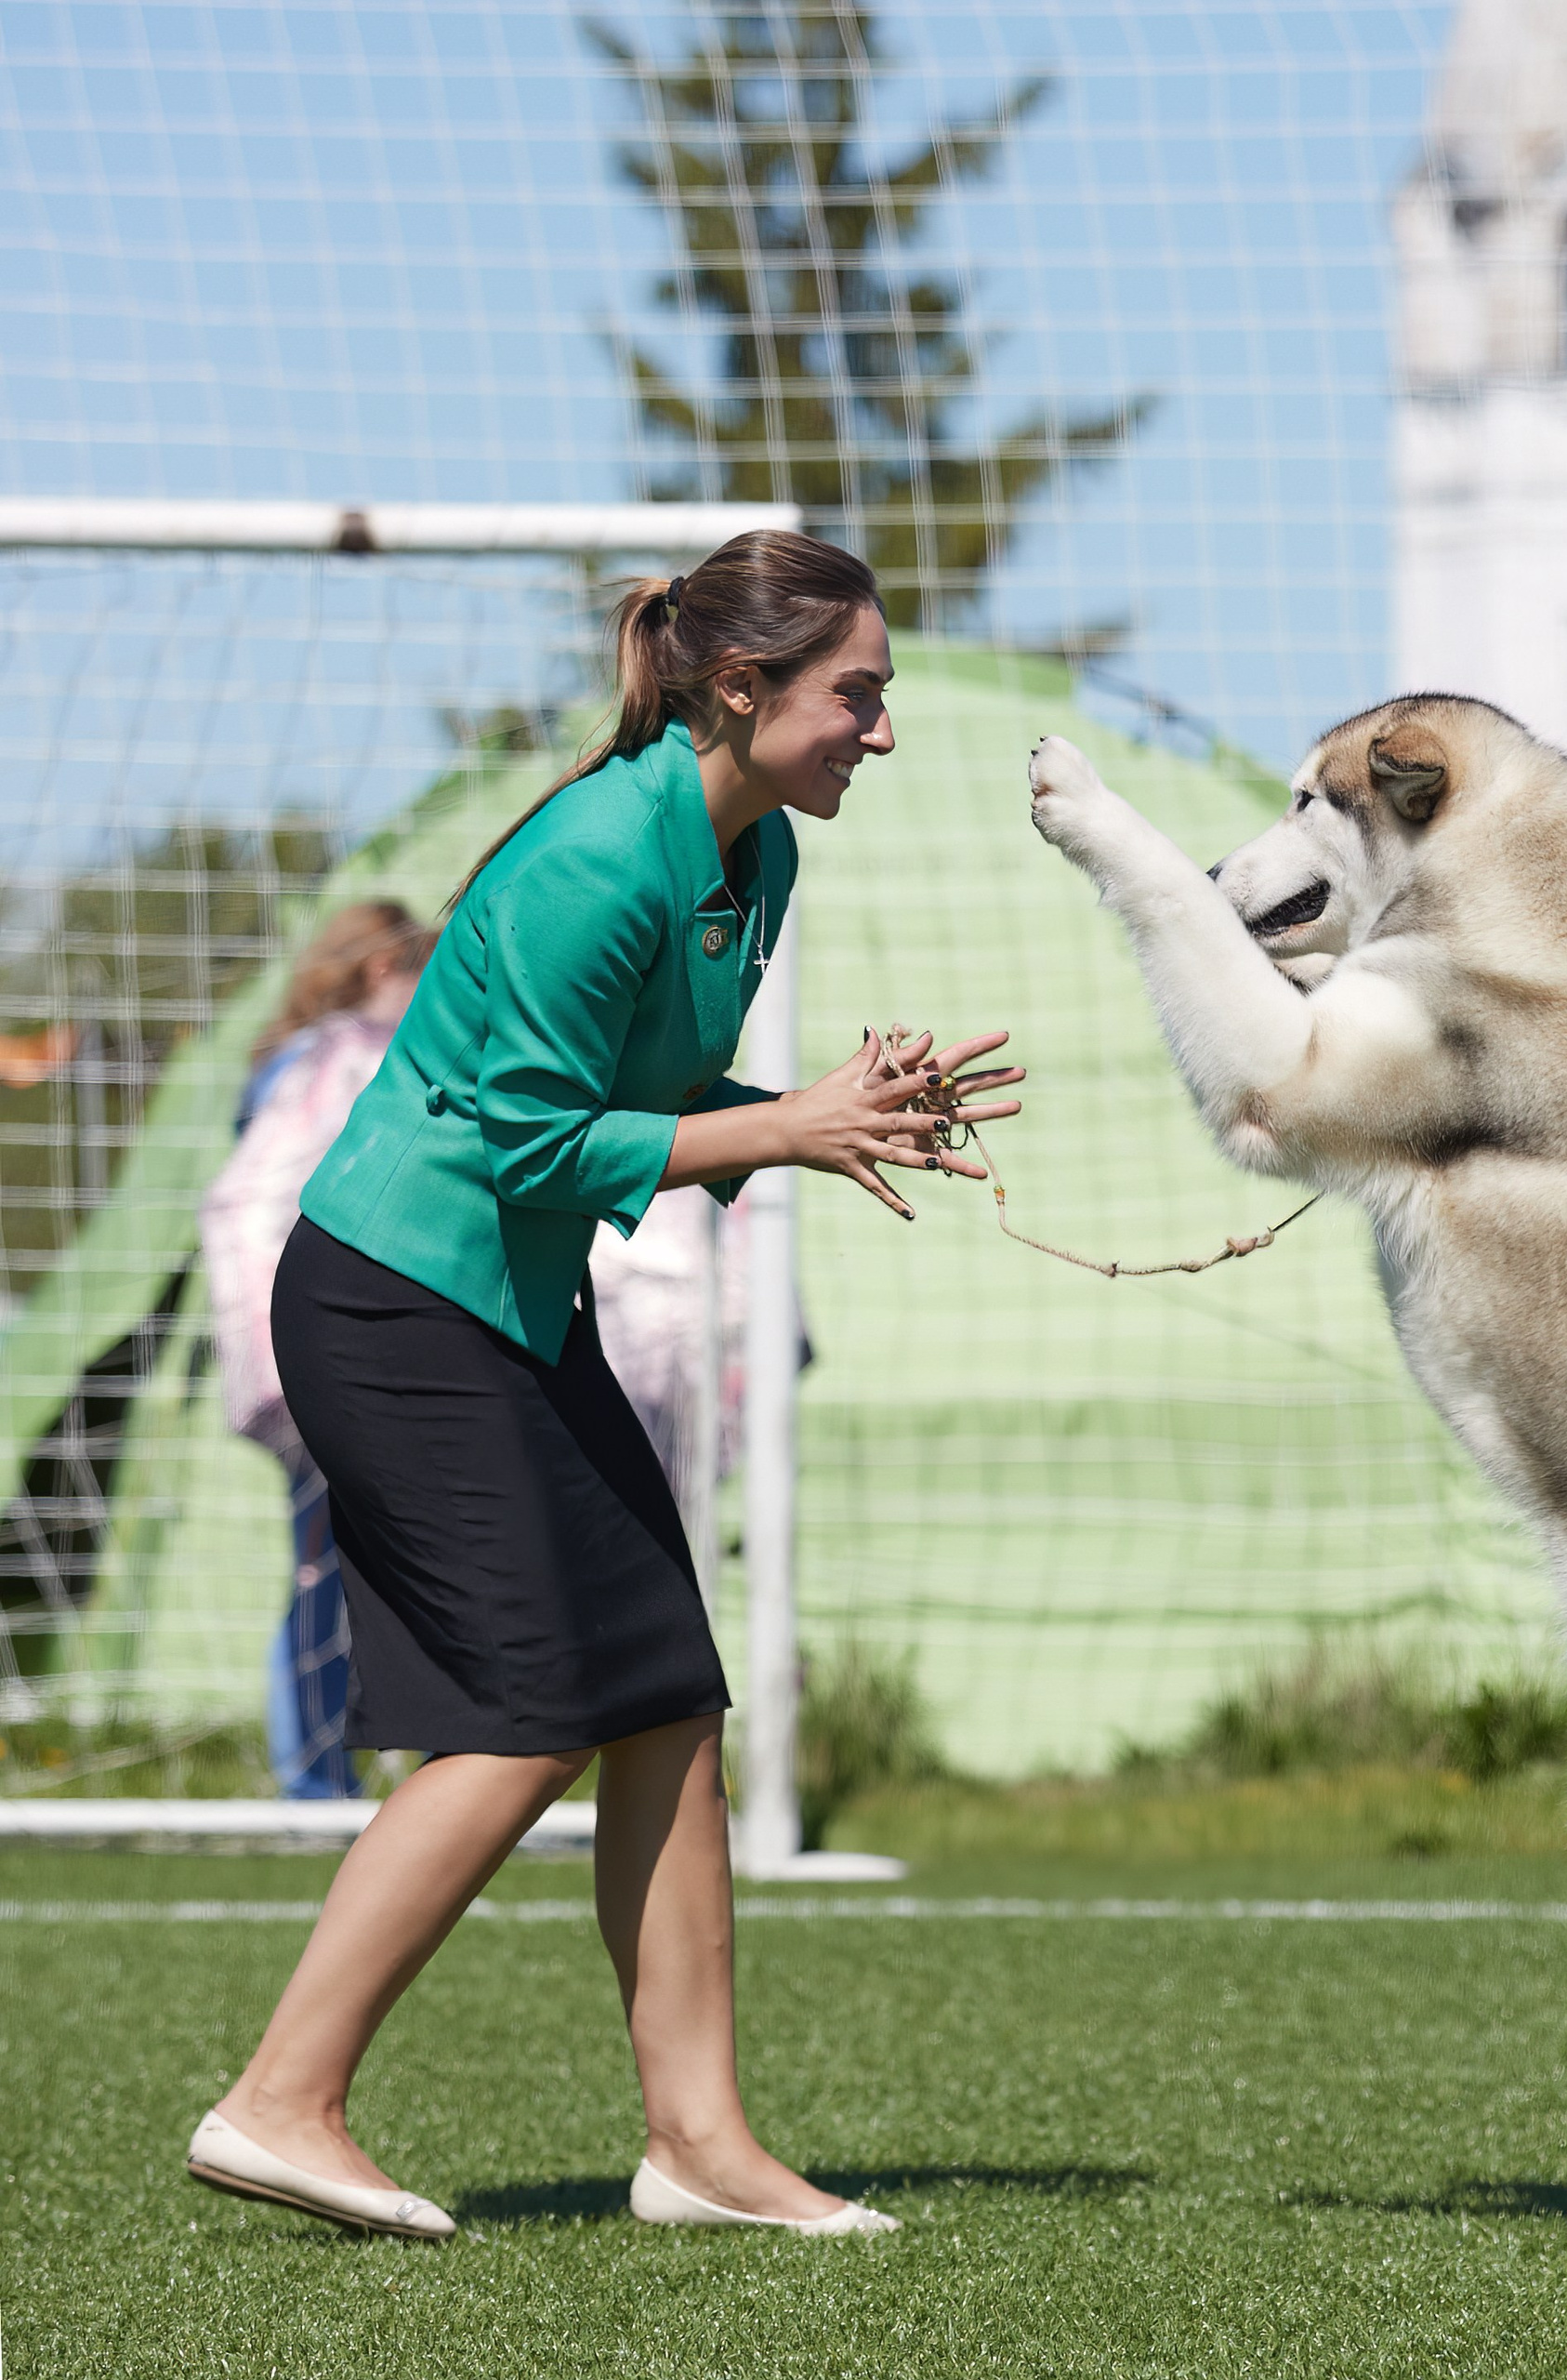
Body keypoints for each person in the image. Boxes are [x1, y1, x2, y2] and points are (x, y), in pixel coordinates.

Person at [186, 529, 1024, 2241]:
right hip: (397, 1305)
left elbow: (646, 1091)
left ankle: (700, 2151)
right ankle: (279, 2102)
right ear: (744, 688)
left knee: (660, 1693)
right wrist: (790, 1129)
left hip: (508, 1307)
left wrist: (836, 1107)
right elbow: (528, 1139)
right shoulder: (594, 855)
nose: (881, 730)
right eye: (857, 695)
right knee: (540, 1706)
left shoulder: (754, 855)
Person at [201, 903, 439, 1799]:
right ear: (382, 971)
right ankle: (321, 1776)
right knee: (345, 1564)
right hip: (340, 1350)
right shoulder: (337, 1061)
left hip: (303, 1347)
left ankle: (336, 1771)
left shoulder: (288, 1061)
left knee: (339, 1561)